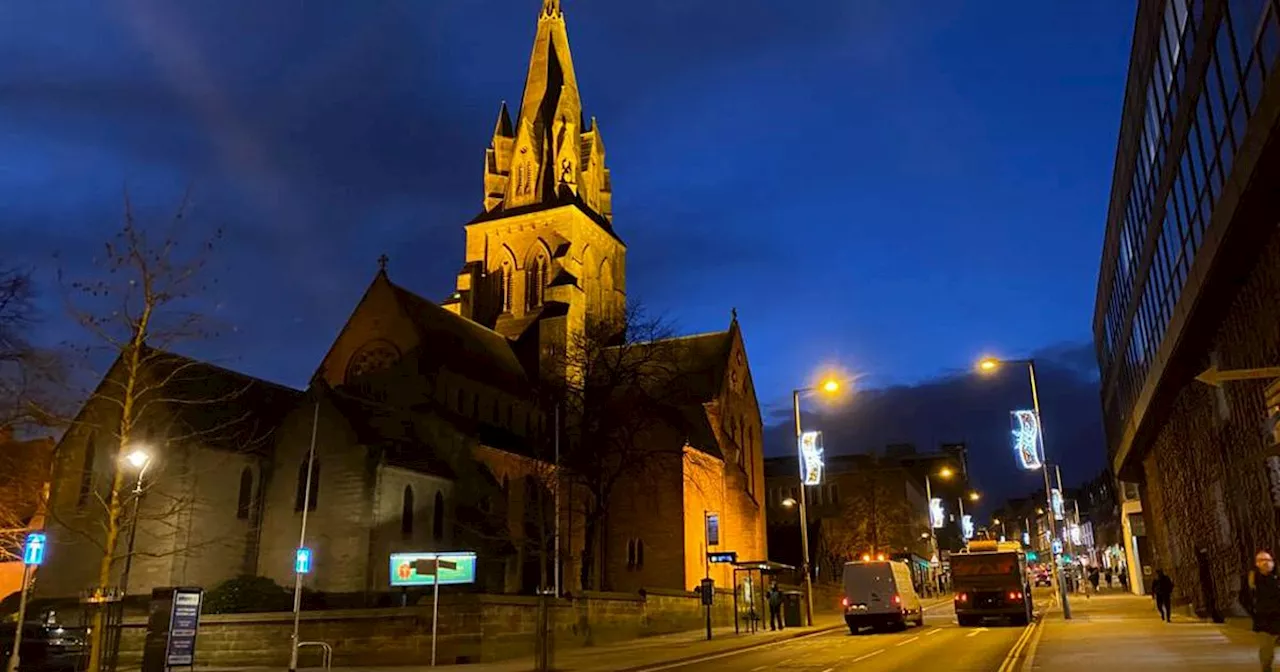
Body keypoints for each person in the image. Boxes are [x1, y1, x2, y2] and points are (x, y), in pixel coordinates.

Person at [1242, 550, 1280, 672]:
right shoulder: (1252, 580)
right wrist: (1254, 612)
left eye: (1268, 560)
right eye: (1262, 560)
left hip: (1278, 618)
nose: (1266, 563)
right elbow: (1244, 598)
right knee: (1266, 651)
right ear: (1257, 563)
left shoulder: (1277, 578)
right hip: (1264, 621)